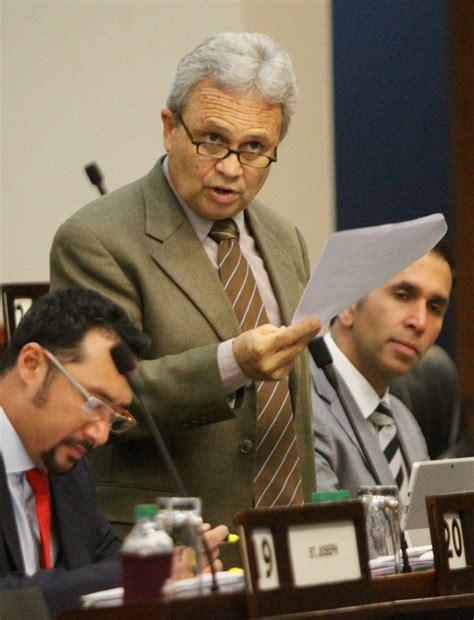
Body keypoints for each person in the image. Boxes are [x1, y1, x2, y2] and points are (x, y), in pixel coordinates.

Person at [49, 32, 320, 552]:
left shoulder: (286, 240)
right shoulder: (96, 240)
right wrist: (233, 363)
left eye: (256, 148)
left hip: (288, 545)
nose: (231, 167)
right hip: (170, 546)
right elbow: (98, 399)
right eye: (213, 139)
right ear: (170, 127)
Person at [0, 287, 227, 618]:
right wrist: (145, 575)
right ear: (32, 365)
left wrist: (175, 568)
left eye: (113, 416)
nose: (100, 434)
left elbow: (108, 563)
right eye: (93, 403)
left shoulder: (71, 470)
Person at [311, 242, 455, 502]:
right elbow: (327, 538)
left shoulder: (404, 421)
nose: (420, 322)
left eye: (434, 308)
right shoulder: (296, 405)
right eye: (403, 295)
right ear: (349, 303)